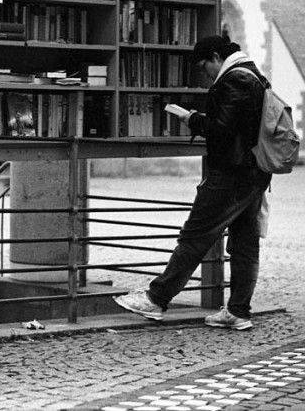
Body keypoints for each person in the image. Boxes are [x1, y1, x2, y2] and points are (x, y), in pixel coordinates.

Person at [114, 34, 271, 330]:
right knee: (245, 244)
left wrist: (192, 119)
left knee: (195, 235)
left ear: (214, 57)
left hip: (231, 173)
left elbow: (223, 129)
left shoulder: (233, 80)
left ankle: (156, 298)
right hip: (254, 173)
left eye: (203, 67)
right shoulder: (254, 75)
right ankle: (238, 310)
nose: (205, 75)